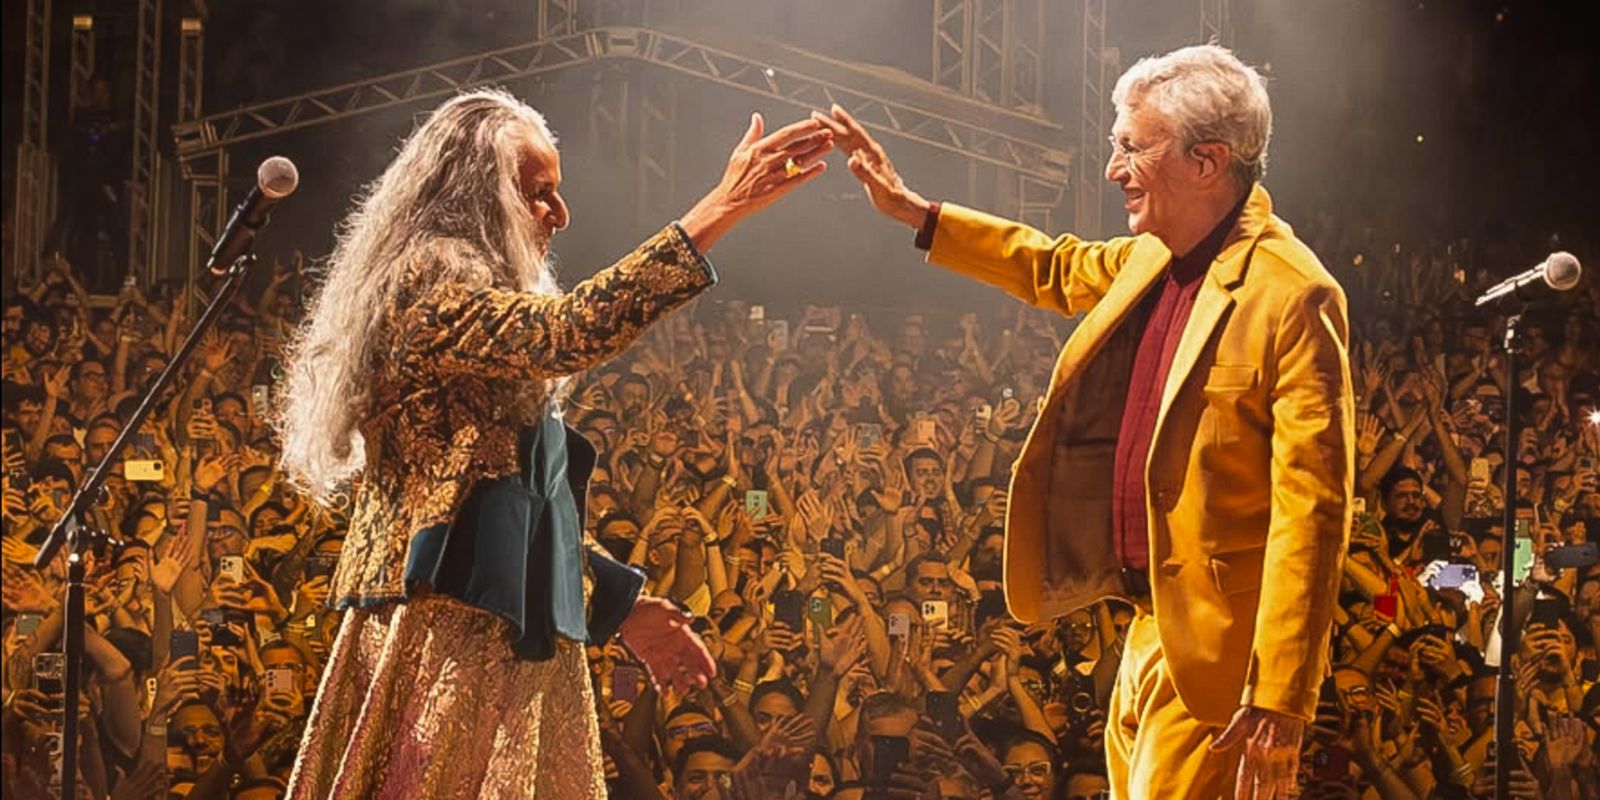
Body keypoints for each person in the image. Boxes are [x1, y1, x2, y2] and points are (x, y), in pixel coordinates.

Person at [818, 43, 1354, 799]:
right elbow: (1052, 266)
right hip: (1145, 630)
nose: (1112, 169)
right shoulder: (1152, 255)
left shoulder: (1293, 294)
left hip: (1223, 660)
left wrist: (1281, 695)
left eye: (1133, 147)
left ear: (1207, 161)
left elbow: (1314, 515)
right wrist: (916, 213)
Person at [275, 88, 832, 799]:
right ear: (475, 195)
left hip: (498, 633)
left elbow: (506, 506)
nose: (560, 215)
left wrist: (619, 606)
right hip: (445, 635)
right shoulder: (429, 274)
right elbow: (565, 333)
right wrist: (718, 210)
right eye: (538, 192)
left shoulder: (472, 310)